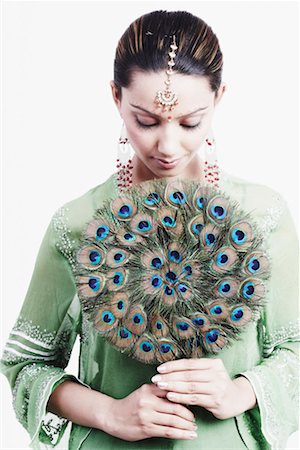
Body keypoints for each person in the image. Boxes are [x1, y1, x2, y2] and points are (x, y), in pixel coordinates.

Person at [1, 9, 299, 450]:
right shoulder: (78, 223)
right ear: (115, 96)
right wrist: (110, 412)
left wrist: (241, 390)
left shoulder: (262, 214)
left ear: (219, 98)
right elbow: (25, 364)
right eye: (146, 120)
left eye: (190, 122)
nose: (167, 145)